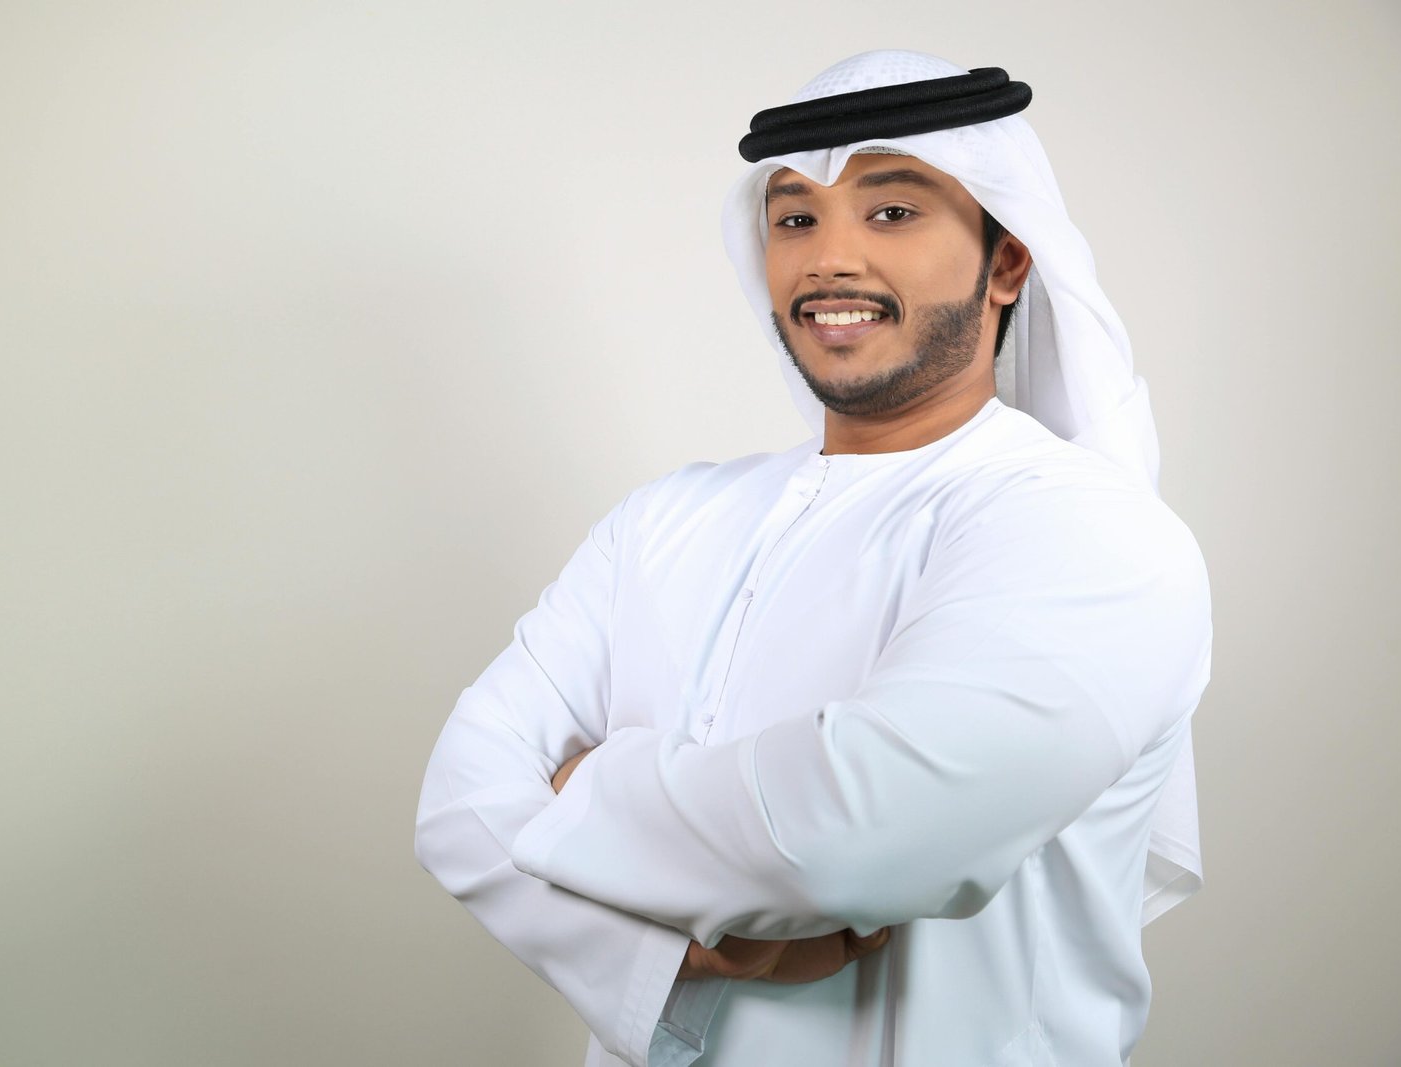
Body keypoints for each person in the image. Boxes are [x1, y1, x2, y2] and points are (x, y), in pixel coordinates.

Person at [415, 49, 1211, 1067]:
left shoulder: (1090, 529)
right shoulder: (664, 517)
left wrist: (583, 782)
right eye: (795, 217)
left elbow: (859, 833)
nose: (829, 259)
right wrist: (669, 952)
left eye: (891, 212)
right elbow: (459, 797)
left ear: (1007, 260)